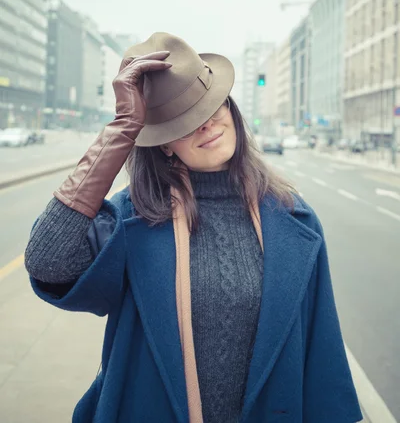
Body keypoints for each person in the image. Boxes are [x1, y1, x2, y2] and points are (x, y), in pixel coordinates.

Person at [25, 32, 362, 423]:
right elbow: (48, 262)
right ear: (165, 144)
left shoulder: (293, 218)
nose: (206, 124)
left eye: (212, 105)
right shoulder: (133, 219)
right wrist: (121, 131)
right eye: (185, 121)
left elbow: (322, 356)